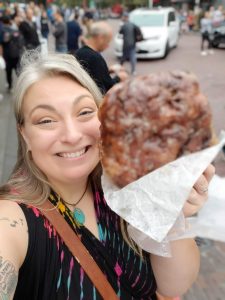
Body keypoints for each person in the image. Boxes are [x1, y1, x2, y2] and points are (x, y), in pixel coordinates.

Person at [0, 52, 215, 299]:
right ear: (24, 134)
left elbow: (173, 287)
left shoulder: (125, 188)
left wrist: (172, 211)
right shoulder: (13, 219)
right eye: (46, 120)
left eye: (84, 112)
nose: (71, 135)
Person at [76, 21, 128, 94]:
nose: (108, 46)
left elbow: (93, 75)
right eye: (108, 41)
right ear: (101, 38)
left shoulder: (79, 52)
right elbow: (106, 89)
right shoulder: (95, 58)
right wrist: (119, 78)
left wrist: (108, 71)